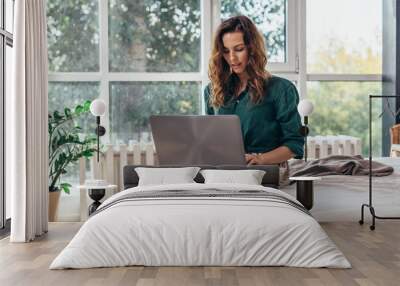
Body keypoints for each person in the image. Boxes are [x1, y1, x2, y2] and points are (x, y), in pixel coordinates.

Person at [204, 15, 304, 167]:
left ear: (252, 49)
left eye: (239, 49)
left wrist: (260, 159)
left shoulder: (281, 89)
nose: (232, 58)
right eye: (225, 51)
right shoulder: (212, 90)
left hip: (265, 172)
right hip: (222, 172)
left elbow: (294, 144)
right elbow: (210, 139)